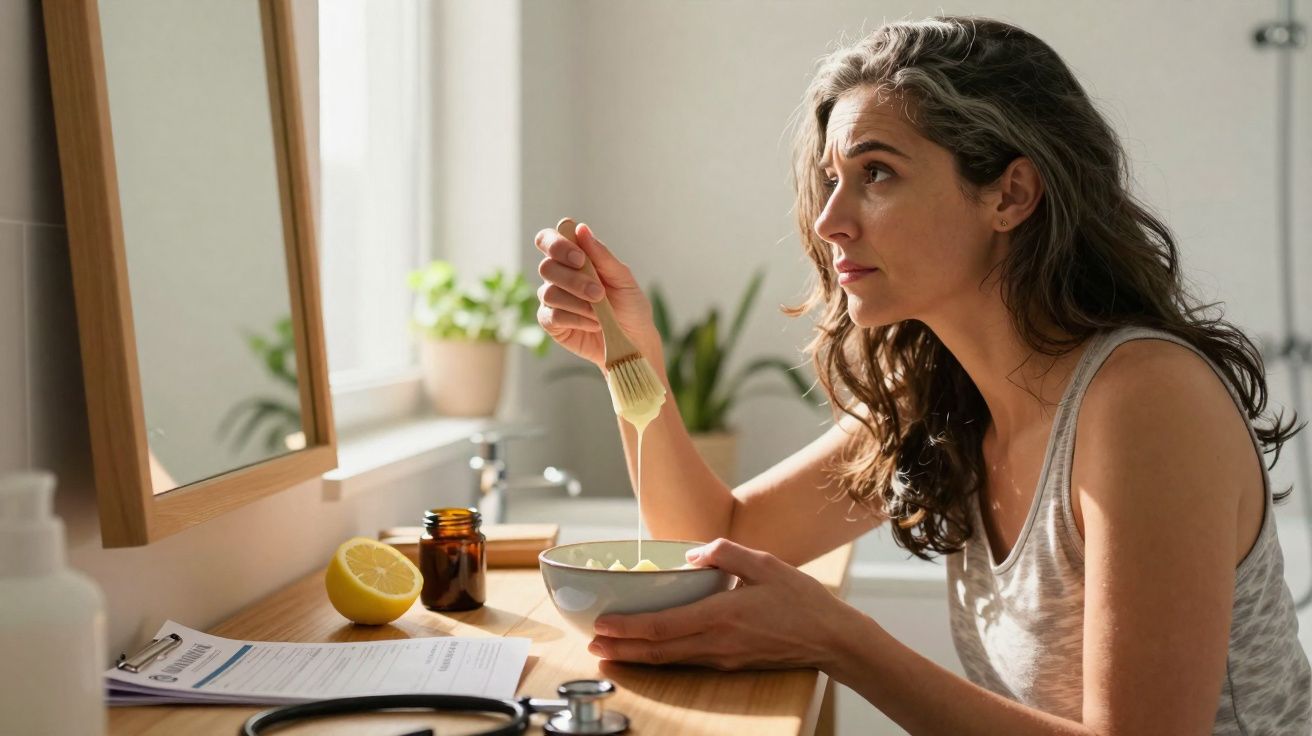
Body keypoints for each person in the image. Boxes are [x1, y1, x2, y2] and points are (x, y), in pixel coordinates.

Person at [531, 15, 1310, 734]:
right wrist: (629, 357)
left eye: (877, 174)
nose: (831, 218)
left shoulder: (1145, 401)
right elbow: (714, 538)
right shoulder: (942, 398)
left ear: (1010, 194)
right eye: (832, 178)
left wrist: (840, 639)